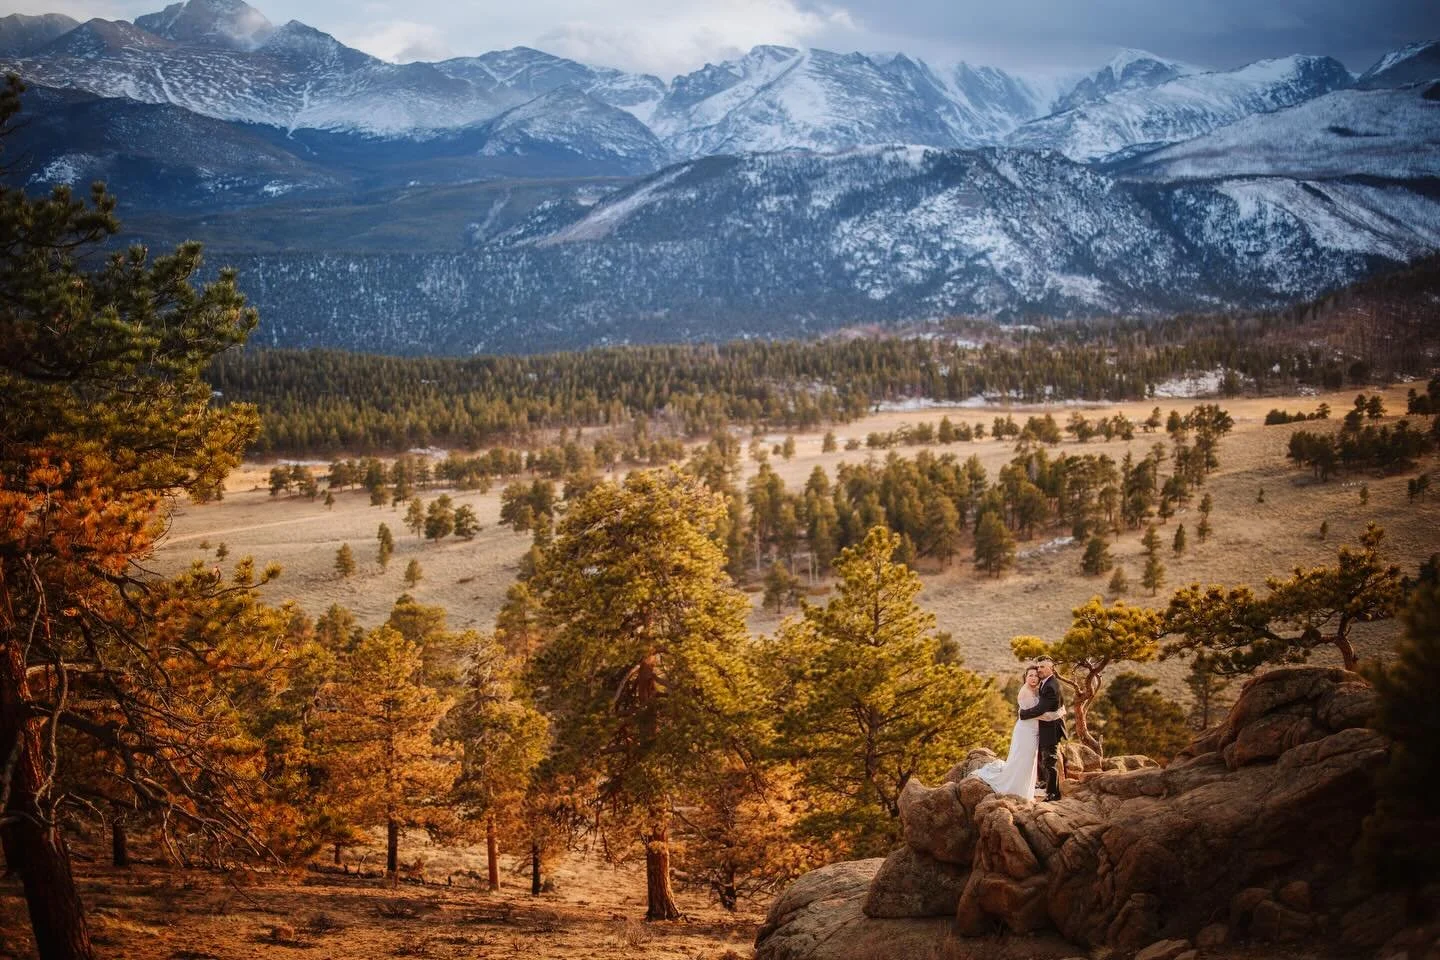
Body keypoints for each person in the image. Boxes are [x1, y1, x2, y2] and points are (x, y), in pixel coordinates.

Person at [968, 665, 1065, 799]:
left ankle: (1027, 787)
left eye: (1036, 675)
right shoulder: (1025, 692)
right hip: (1026, 731)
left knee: (1028, 760)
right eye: (1030, 675)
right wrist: (1058, 713)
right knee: (1024, 759)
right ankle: (1017, 788)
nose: (1033, 678)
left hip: (1033, 730)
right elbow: (1037, 714)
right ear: (1025, 677)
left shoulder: (1037, 689)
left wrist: (1059, 710)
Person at [1019, 655, 1067, 801]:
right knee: (1046, 760)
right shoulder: (1047, 682)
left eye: (1042, 667)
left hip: (1051, 729)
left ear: (1051, 668)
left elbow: (1040, 709)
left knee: (1049, 761)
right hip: (1047, 727)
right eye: (1038, 666)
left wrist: (1023, 714)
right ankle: (1048, 787)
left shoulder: (1050, 686)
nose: (1039, 670)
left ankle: (1053, 794)